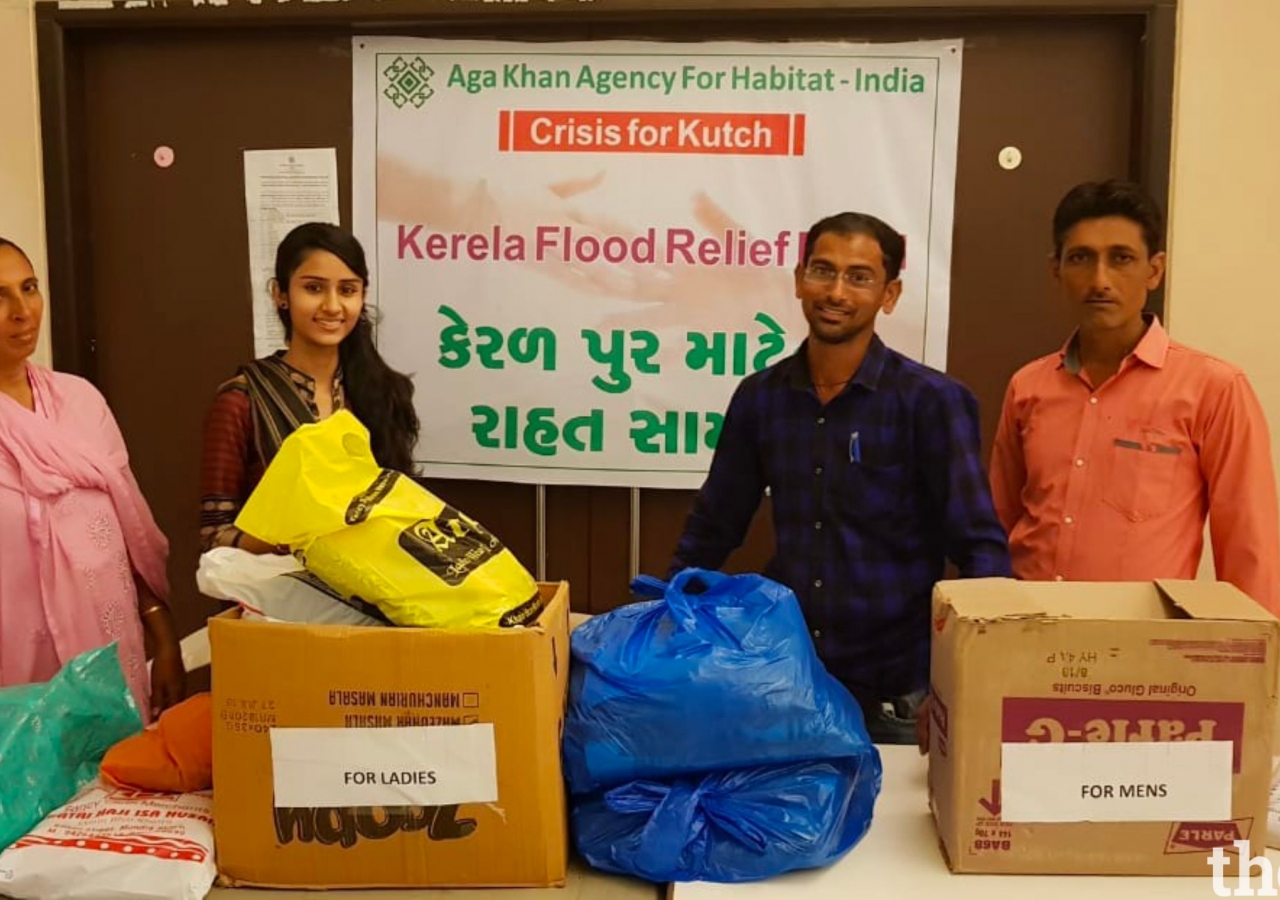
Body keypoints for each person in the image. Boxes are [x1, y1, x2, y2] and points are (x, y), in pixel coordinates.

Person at [668, 212, 1012, 743]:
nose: (836, 291)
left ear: (889, 294)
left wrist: (961, 681)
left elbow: (982, 549)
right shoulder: (761, 398)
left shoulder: (931, 402)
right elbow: (715, 524)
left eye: (859, 276)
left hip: (898, 694)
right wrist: (663, 615)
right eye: (823, 271)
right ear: (799, 277)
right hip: (789, 680)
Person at [990, 179, 1280, 613]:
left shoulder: (1213, 388)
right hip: (1027, 636)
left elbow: (1249, 550)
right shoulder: (1028, 387)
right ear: (1057, 270)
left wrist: (1252, 666)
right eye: (1081, 259)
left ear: (1154, 269)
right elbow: (996, 525)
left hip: (1143, 654)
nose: (1100, 280)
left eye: (1121, 259)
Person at [0, 237, 184, 721]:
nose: (22, 311)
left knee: (108, 787)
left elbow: (130, 536)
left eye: (30, 287)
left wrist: (162, 634)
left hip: (106, 667)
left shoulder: (81, 401)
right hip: (14, 686)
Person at [200, 223, 420, 553]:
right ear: (280, 294)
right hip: (278, 597)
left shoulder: (382, 392)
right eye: (314, 288)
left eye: (347, 290)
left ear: (363, 296)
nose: (332, 306)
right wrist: (293, 540)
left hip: (372, 593)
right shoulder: (242, 401)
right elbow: (213, 536)